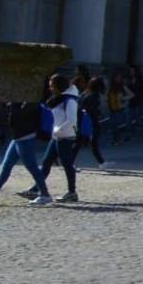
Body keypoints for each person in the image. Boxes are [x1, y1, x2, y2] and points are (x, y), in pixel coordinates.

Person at [0, 89, 55, 206]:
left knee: (32, 168)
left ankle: (45, 195)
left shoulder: (31, 104)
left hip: (25, 139)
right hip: (18, 139)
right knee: (6, 167)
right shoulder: (24, 103)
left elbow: (16, 120)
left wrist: (12, 105)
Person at [35, 75, 83, 203]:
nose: (50, 88)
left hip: (65, 137)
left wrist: (58, 130)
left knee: (67, 165)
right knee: (46, 163)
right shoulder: (59, 99)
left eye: (52, 85)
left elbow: (72, 120)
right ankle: (35, 189)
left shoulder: (69, 100)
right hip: (58, 136)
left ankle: (72, 193)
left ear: (58, 86)